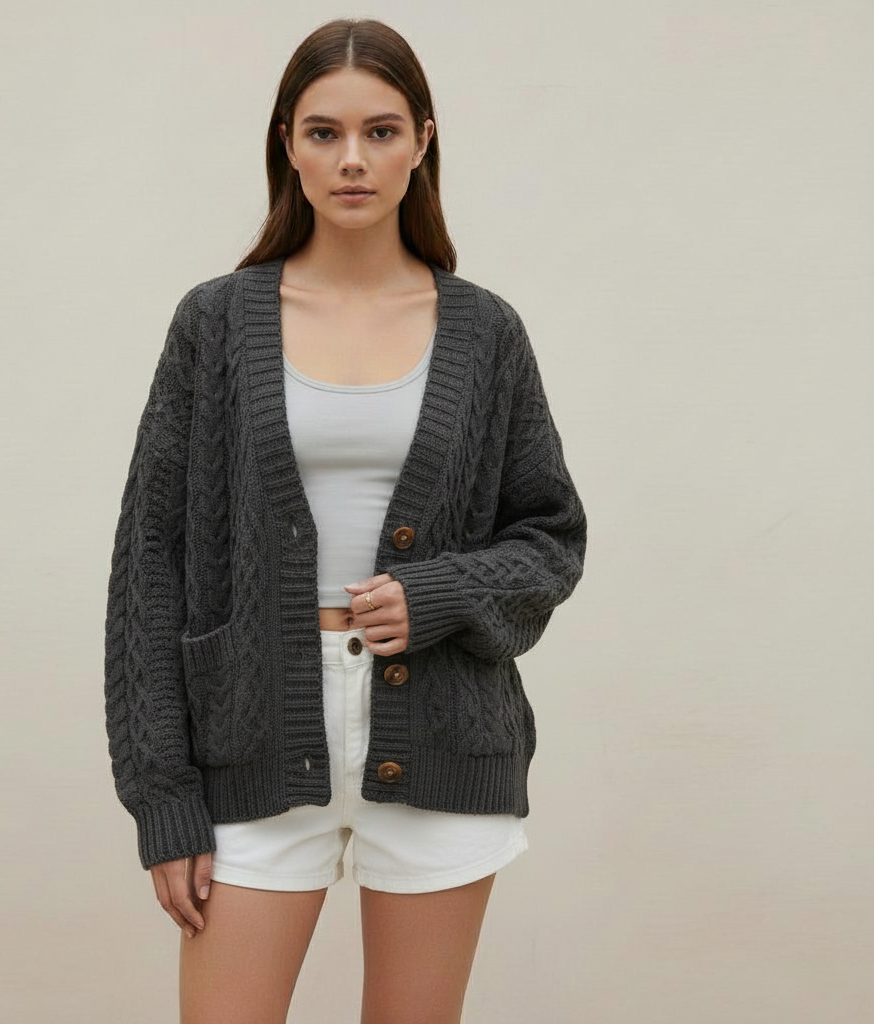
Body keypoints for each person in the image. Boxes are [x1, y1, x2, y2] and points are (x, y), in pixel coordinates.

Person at [104, 17, 587, 1024]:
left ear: (422, 141)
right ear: (287, 142)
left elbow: (550, 535)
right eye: (324, 132)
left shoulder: (485, 332)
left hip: (443, 735)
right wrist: (163, 797)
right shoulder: (214, 324)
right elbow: (151, 565)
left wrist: (438, 592)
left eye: (380, 131)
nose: (353, 159)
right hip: (249, 737)